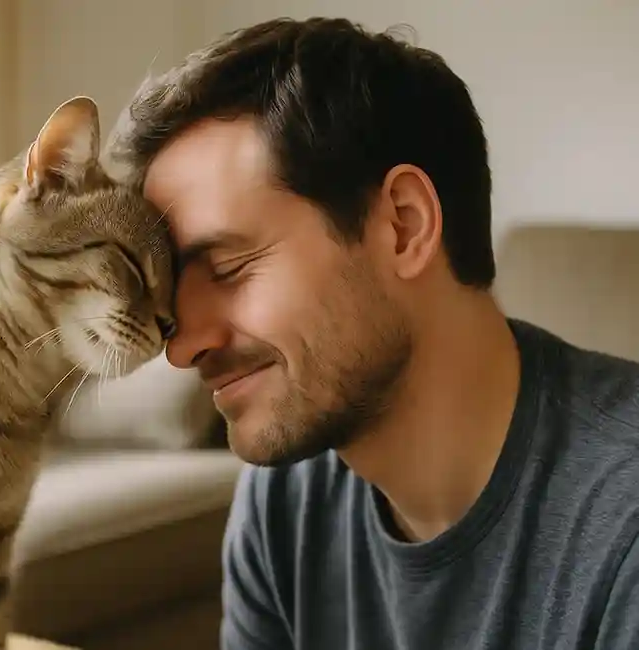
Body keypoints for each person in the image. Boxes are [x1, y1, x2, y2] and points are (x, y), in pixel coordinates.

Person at [105, 16, 639, 649]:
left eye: (227, 268)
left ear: (404, 227)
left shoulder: (621, 525)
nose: (183, 346)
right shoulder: (284, 501)